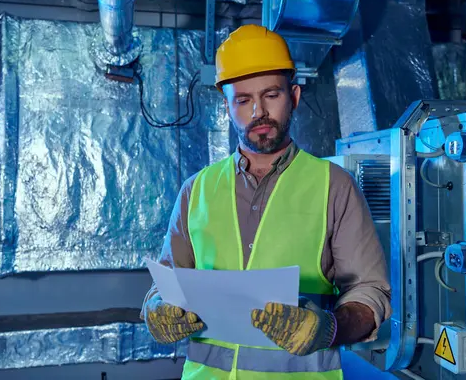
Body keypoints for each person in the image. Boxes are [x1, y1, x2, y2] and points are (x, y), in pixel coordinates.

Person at [141, 24, 392, 379]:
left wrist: (329, 328)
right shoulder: (195, 190)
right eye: (243, 100)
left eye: (271, 95)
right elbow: (165, 285)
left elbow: (370, 292)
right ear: (228, 107)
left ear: (294, 96)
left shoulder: (334, 186)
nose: (258, 111)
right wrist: (155, 308)